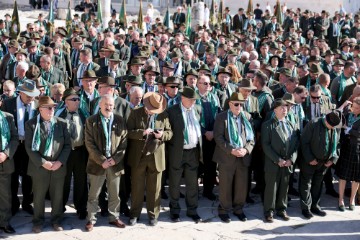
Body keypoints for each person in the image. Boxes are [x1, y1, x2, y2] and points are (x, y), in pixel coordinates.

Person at [25, 96, 71, 233]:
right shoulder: (31, 124)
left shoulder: (62, 123)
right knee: (38, 196)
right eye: (48, 108)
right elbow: (29, 147)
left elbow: (67, 146)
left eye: (53, 107)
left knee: (57, 196)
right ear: (40, 109)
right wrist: (43, 163)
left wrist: (60, 162)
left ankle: (56, 220)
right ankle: (38, 222)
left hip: (58, 167)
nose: (52, 110)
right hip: (39, 168)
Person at [127, 92, 172, 226]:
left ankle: (153, 215)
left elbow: (170, 133)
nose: (153, 112)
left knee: (155, 189)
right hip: (139, 156)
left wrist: (162, 135)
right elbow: (127, 132)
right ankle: (134, 214)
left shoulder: (163, 115)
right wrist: (142, 132)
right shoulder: (135, 113)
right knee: (137, 188)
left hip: (156, 157)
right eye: (151, 109)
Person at [84, 94, 127, 231]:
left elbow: (124, 143)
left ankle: (114, 217)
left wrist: (115, 159)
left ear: (114, 106)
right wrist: (102, 160)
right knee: (93, 194)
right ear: (100, 105)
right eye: (106, 105)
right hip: (98, 163)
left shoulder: (120, 120)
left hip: (115, 164)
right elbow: (89, 143)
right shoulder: (91, 121)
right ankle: (91, 219)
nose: (108, 107)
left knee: (115, 193)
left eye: (110, 105)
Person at [213, 92, 254, 223]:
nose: (239, 107)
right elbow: (218, 137)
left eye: (241, 104)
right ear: (230, 104)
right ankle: (223, 210)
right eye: (236, 104)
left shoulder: (247, 117)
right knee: (225, 185)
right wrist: (232, 150)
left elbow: (251, 139)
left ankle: (239, 209)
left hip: (243, 157)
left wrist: (246, 150)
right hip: (227, 157)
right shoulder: (221, 117)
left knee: (241, 186)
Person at [1, 80, 40, 216]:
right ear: (21, 93)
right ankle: (14, 204)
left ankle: (27, 203)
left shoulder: (36, 104)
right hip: (14, 145)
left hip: (30, 146)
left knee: (29, 176)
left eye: (33, 95)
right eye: (28, 95)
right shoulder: (8, 103)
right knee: (13, 175)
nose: (31, 98)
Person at [167, 86, 203, 223]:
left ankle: (192, 210)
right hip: (178, 152)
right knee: (175, 183)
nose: (194, 102)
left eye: (195, 99)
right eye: (191, 99)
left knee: (192, 183)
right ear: (183, 98)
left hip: (193, 152)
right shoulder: (172, 111)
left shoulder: (198, 110)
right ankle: (174, 211)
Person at [262, 99, 299, 222]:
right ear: (275, 110)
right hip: (273, 163)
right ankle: (269, 211)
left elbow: (295, 145)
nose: (285, 110)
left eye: (286, 107)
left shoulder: (291, 124)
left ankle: (282, 209)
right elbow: (266, 145)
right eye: (281, 108)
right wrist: (278, 159)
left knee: (284, 187)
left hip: (287, 163)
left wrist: (291, 159)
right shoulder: (267, 125)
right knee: (271, 188)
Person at [300, 111, 342, 219]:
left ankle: (315, 206)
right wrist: (310, 158)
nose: (332, 128)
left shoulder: (336, 127)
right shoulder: (313, 124)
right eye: (330, 126)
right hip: (310, 162)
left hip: (324, 163)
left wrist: (333, 159)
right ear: (325, 120)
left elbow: (337, 145)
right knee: (306, 184)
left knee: (318, 184)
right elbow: (304, 142)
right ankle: (306, 208)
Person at [55, 88, 89, 219]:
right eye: (74, 99)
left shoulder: (84, 114)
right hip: (65, 153)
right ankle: (60, 207)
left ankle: (81, 208)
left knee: (81, 181)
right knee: (64, 181)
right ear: (66, 101)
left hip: (80, 151)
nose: (77, 102)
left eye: (78, 99)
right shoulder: (59, 115)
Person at [336, 97, 360, 212]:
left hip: (357, 150)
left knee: (356, 178)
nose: (353, 109)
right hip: (346, 148)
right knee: (343, 175)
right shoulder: (347, 113)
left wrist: (348, 129)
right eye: (353, 106)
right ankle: (340, 200)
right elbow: (335, 115)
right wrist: (344, 104)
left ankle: (352, 200)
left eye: (356, 108)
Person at [0, 108, 19, 234]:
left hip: (4, 162)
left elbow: (14, 138)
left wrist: (5, 154)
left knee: (5, 195)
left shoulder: (8, 117)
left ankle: (4, 222)